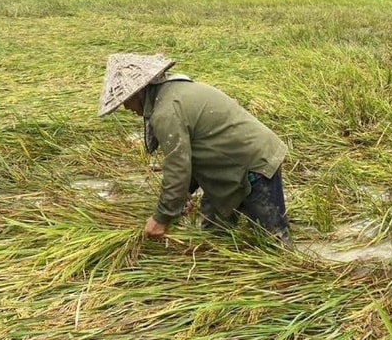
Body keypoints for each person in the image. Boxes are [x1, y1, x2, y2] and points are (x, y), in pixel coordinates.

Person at [98, 53, 290, 244]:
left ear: (137, 92)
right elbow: (192, 155)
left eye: (124, 100)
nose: (125, 107)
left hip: (253, 165)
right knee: (213, 239)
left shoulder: (166, 112)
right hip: (226, 168)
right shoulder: (173, 92)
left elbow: (177, 169)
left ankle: (290, 270)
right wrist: (183, 195)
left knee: (272, 241)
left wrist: (161, 218)